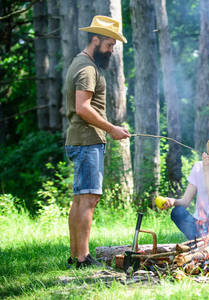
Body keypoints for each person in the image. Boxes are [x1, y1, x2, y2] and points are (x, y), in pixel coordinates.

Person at [65, 16, 130, 268]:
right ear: (96, 39)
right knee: (89, 198)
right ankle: (82, 258)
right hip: (86, 140)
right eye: (110, 44)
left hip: (84, 140)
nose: (112, 49)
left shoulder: (84, 63)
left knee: (81, 198)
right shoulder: (86, 68)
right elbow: (82, 108)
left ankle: (75, 256)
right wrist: (112, 128)